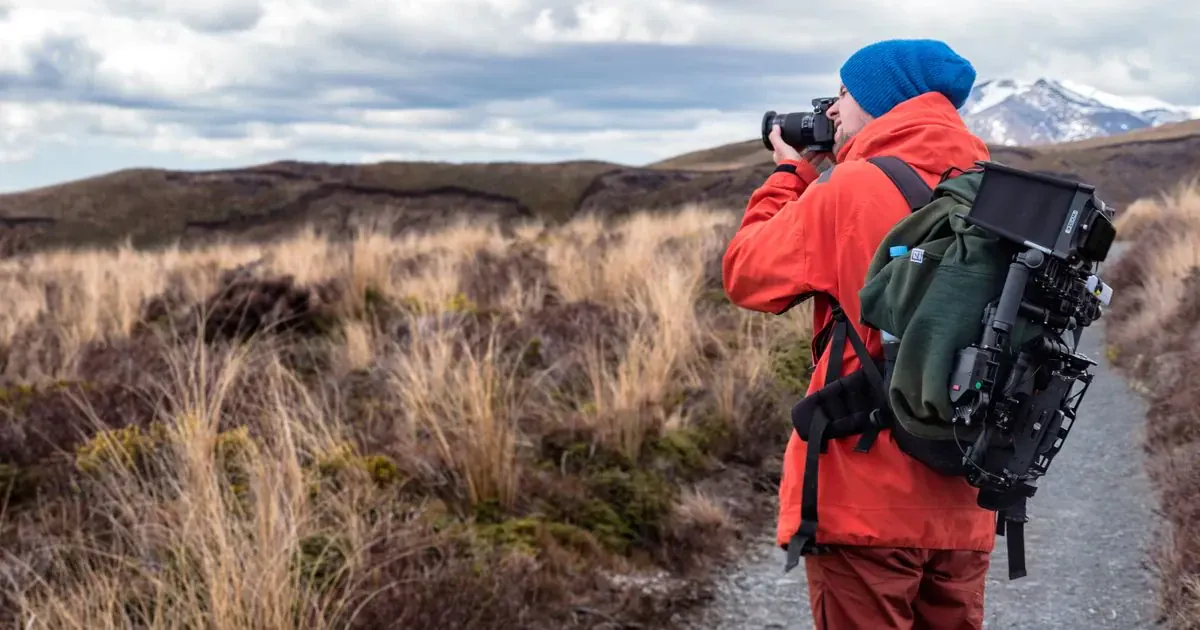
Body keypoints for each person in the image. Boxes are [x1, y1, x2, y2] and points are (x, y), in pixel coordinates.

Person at [722, 39, 997, 629]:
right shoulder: (994, 192)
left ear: (881, 98)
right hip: (964, 494)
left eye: (844, 93)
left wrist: (790, 175)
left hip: (865, 492)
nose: (832, 110)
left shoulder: (849, 189)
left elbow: (746, 274)